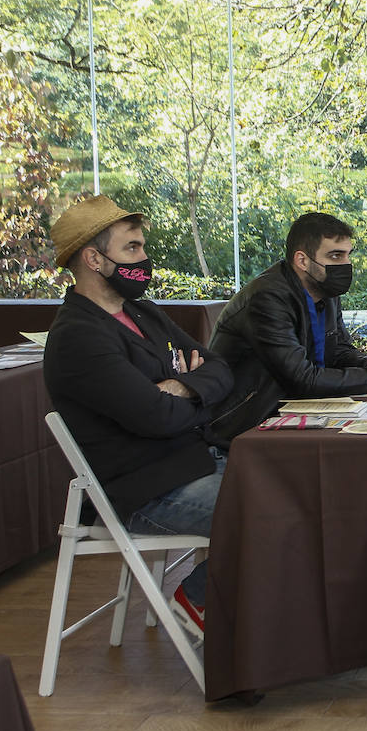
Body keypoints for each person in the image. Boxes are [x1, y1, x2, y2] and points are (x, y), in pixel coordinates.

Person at [43, 194, 234, 638]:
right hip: (147, 493)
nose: (145, 260)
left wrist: (183, 387)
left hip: (195, 462)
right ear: (94, 258)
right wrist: (191, 395)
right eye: (132, 249)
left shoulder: (141, 311)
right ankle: (203, 600)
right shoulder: (78, 337)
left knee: (296, 484)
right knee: (270, 506)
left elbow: (222, 370)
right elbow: (155, 418)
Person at [210, 212, 367, 440]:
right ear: (302, 261)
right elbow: (302, 379)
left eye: (348, 255)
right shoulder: (267, 299)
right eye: (335, 256)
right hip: (246, 426)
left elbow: (339, 351)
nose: (346, 265)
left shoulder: (324, 289)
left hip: (295, 413)